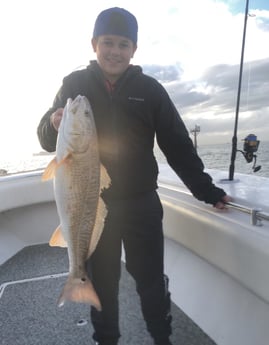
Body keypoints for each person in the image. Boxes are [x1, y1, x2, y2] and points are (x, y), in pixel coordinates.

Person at [37, 7, 231, 345]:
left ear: (134, 49)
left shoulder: (150, 89)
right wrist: (53, 125)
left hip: (142, 203)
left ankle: (161, 337)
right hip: (92, 206)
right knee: (103, 282)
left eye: (123, 44)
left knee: (151, 280)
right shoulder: (74, 84)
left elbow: (178, 144)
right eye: (108, 42)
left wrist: (207, 190)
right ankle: (106, 339)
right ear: (94, 44)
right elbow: (44, 137)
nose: (115, 51)